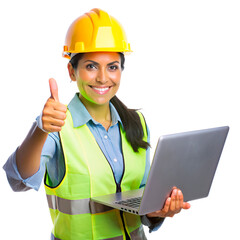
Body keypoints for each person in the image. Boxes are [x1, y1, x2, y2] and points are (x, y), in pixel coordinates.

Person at [3, 8, 190, 240]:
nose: (103, 77)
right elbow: (17, 180)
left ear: (121, 70)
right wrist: (40, 129)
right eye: (91, 66)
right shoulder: (56, 127)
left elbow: (144, 202)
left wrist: (159, 212)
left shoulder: (137, 123)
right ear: (72, 71)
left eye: (112, 66)